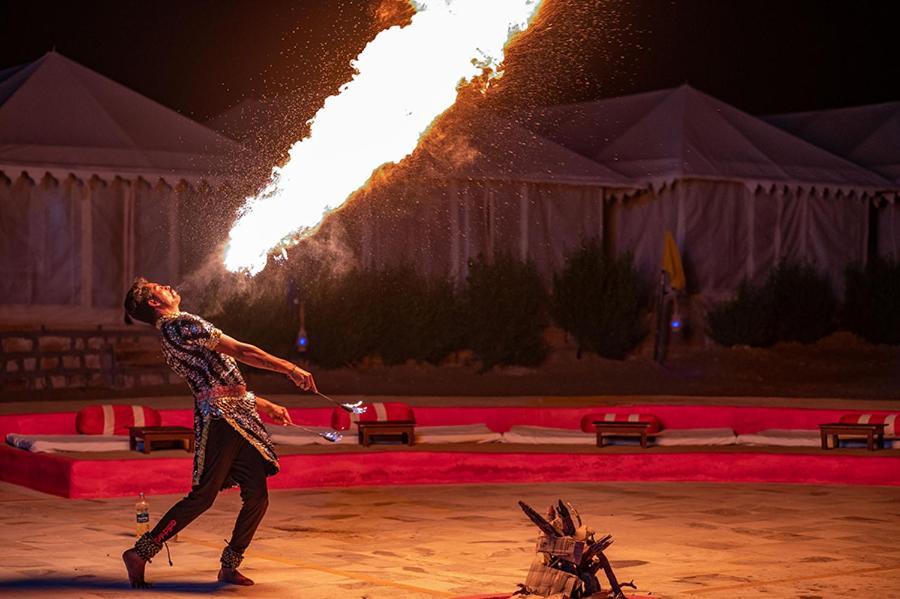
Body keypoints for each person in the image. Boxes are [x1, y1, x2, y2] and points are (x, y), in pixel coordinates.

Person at [120, 277, 316, 587]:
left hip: (236, 415)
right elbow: (242, 351)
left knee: (257, 496)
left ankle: (229, 564)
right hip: (221, 420)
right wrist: (289, 369)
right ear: (154, 303)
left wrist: (264, 405)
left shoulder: (171, 333)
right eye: (158, 287)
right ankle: (141, 553)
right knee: (203, 497)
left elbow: (218, 383)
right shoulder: (182, 323)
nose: (167, 285)